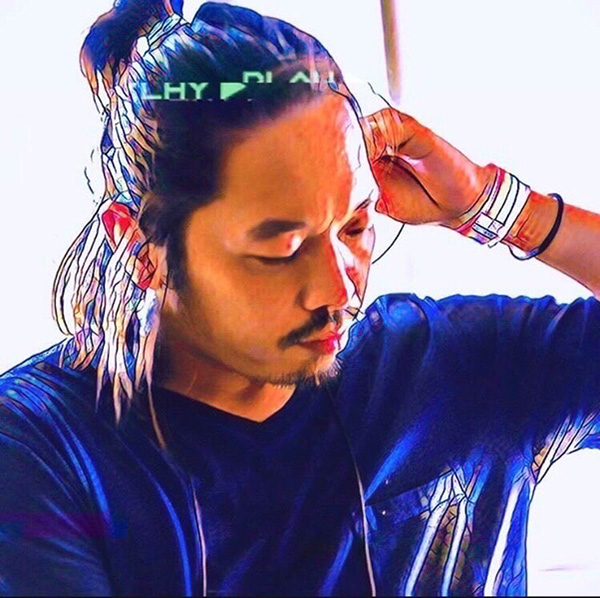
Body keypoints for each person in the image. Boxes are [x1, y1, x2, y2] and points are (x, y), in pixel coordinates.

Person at [1, 1, 600, 596]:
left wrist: (500, 207)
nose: (339, 288)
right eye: (281, 250)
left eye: (355, 227)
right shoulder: (41, 450)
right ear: (142, 246)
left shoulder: (446, 369)